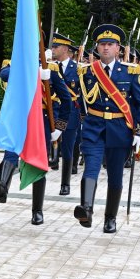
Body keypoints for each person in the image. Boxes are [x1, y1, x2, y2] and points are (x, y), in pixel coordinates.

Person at [75, 24, 140, 233]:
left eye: (110, 44)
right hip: (94, 128)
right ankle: (86, 209)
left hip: (120, 129)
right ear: (97, 48)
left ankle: (110, 217)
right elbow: (81, 103)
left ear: (119, 48)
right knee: (91, 166)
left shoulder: (131, 72)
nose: (106, 48)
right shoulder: (87, 72)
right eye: (102, 44)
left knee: (115, 176)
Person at [0, 55, 70, 225]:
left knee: (37, 163)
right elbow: (5, 74)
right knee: (11, 152)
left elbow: (66, 99)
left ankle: (37, 210)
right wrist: (34, 73)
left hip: (40, 121)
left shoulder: (51, 69)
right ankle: (2, 188)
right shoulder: (15, 64)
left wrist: (59, 127)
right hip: (20, 117)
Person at [51, 33, 82, 195]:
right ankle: (52, 161)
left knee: (68, 148)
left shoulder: (77, 69)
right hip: (52, 111)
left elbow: (83, 93)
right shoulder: (48, 67)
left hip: (71, 112)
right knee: (50, 142)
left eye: (56, 47)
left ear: (65, 49)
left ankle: (65, 183)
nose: (52, 49)